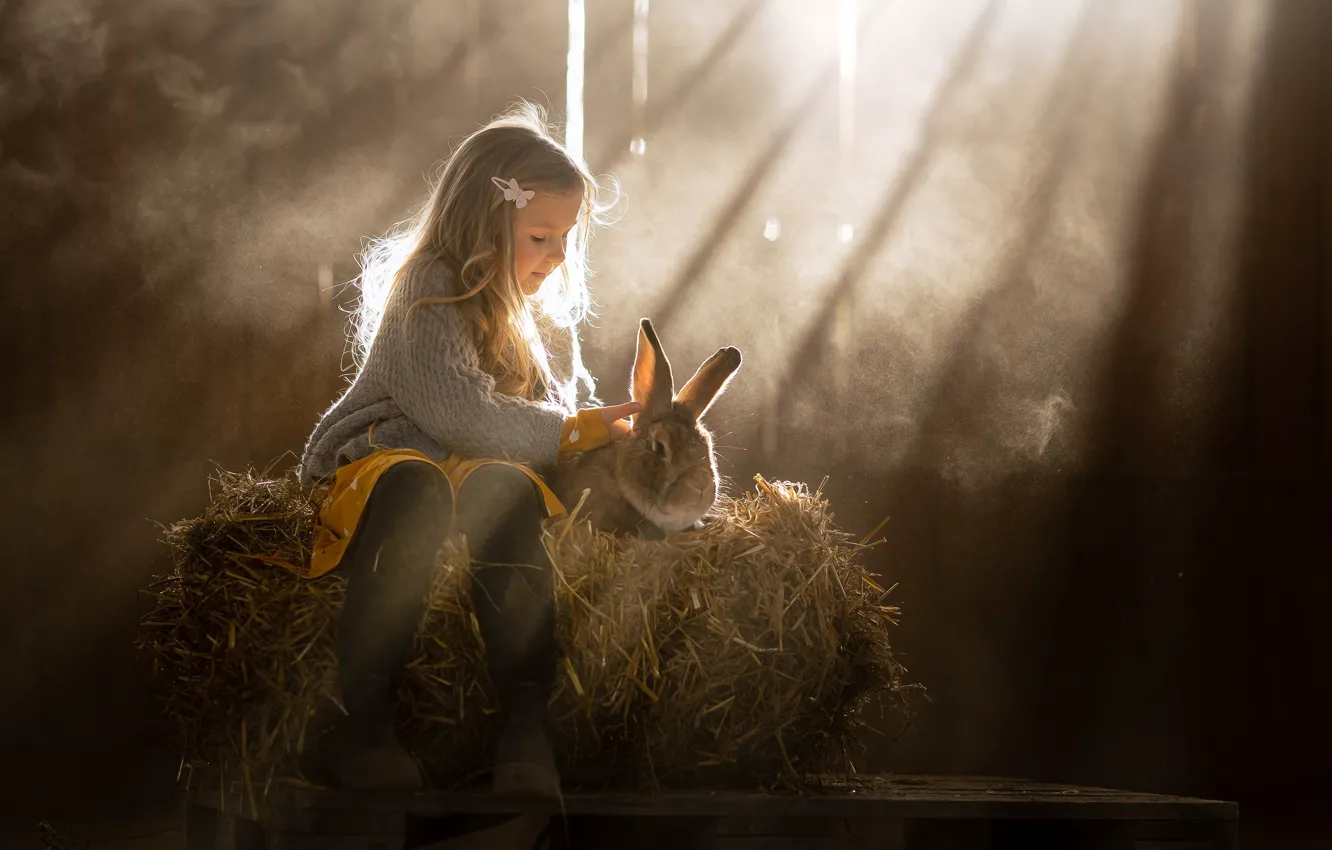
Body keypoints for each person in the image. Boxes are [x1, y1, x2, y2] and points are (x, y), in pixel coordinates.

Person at [295, 101, 638, 796]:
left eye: (566, 237)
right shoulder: (428, 288)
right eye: (541, 236)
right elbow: (463, 415)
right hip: (387, 452)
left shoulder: (539, 318)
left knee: (504, 491)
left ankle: (524, 722)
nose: (558, 256)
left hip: (473, 464)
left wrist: (600, 441)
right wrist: (575, 433)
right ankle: (359, 721)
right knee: (414, 489)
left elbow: (544, 416)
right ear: (486, 222)